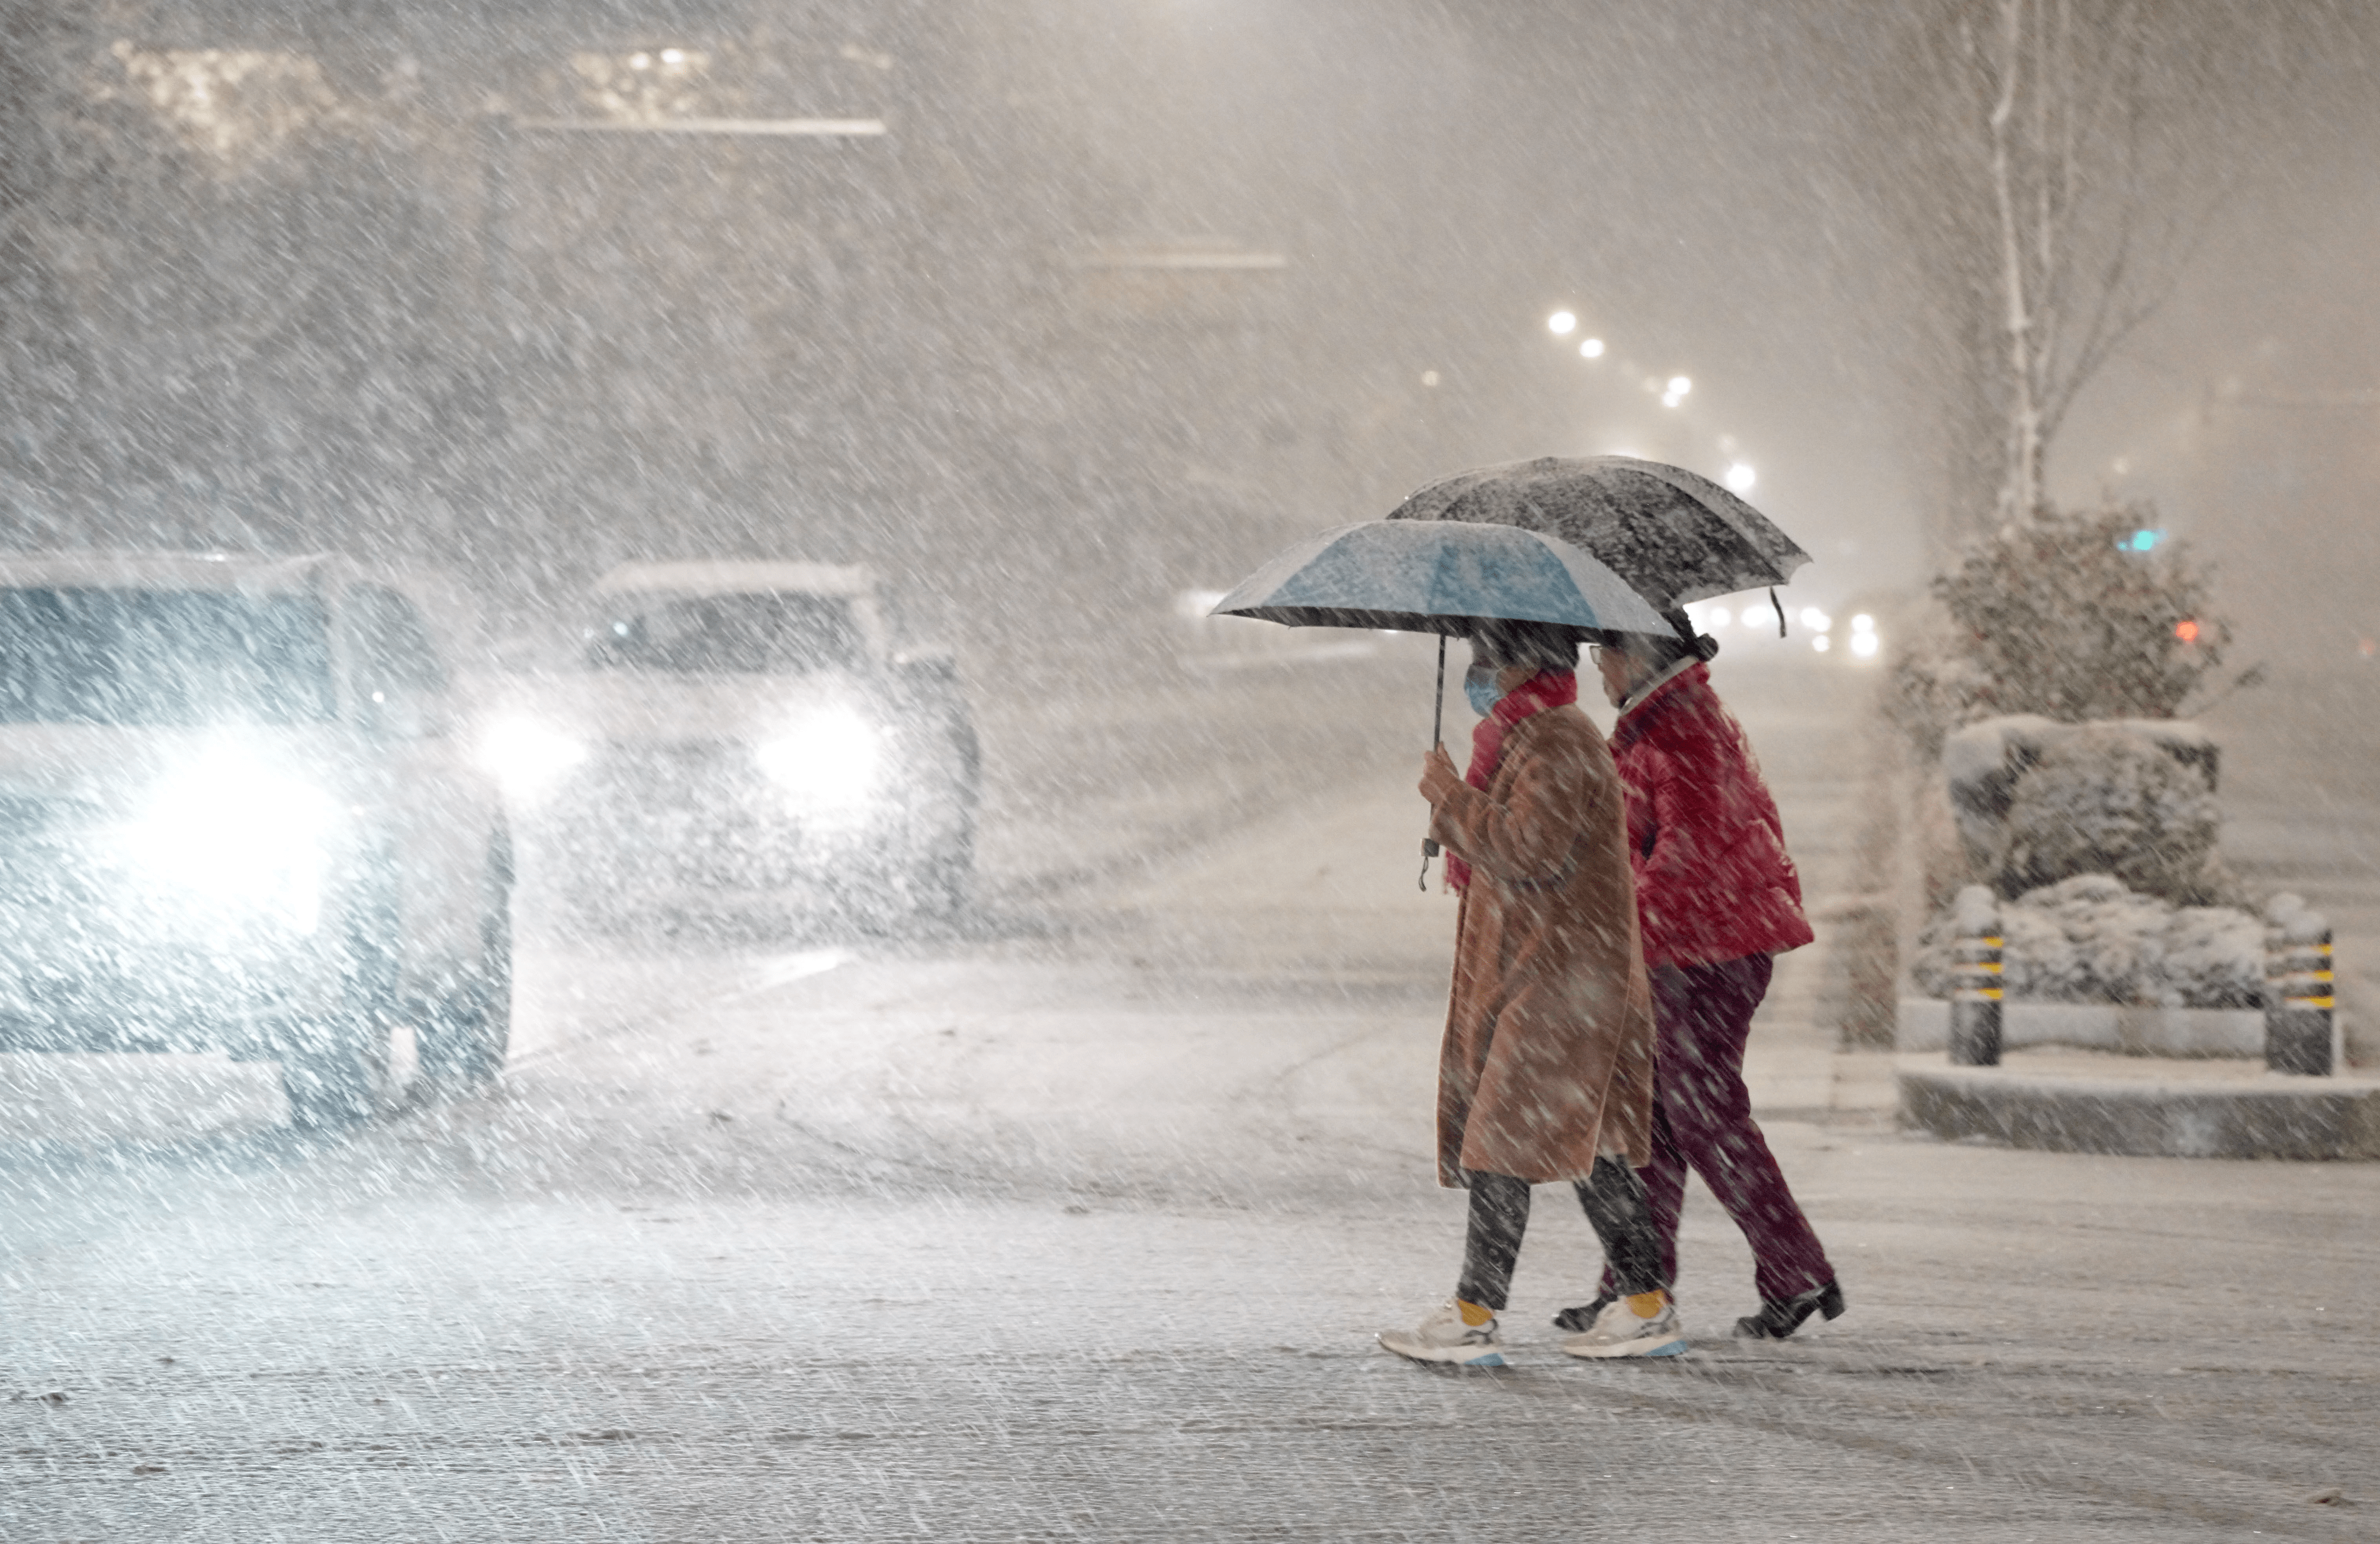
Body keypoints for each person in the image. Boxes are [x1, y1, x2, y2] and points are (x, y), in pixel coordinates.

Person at [1378, 619, 1682, 1366]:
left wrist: (1450, 798)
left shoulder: (1554, 741)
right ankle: (1645, 1305)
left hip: (1558, 982)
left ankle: (1474, 1314)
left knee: (1498, 1146)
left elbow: (1528, 849)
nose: (1478, 675)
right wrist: (1458, 800)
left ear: (1518, 666)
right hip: (1556, 976)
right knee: (1594, 1151)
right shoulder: (1538, 736)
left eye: (1487, 660)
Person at [1557, 616, 1845, 1342]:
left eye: (1603, 653)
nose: (1598, 668)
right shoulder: (1661, 721)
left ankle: (1792, 1269)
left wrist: (1630, 929)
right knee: (1656, 1122)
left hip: (1706, 952)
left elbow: (1688, 850)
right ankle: (1637, 1284)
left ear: (1637, 655)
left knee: (1700, 1115)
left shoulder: (1678, 728)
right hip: (1691, 946)